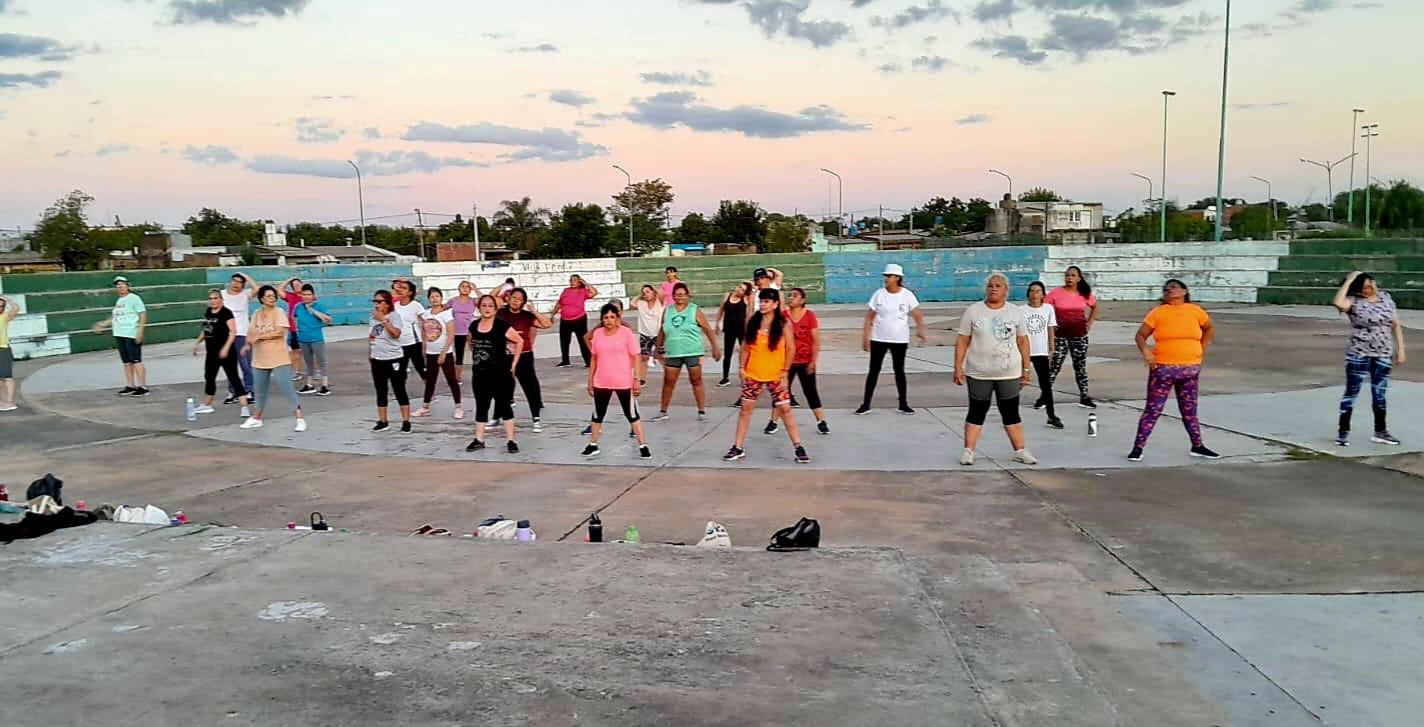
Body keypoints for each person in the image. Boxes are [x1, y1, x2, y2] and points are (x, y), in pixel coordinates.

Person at [1129, 279, 1219, 461]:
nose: (1169, 290)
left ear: (1185, 291)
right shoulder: (1158, 312)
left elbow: (1209, 328)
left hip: (1190, 369)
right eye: (1166, 288)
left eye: (1174, 287)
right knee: (1153, 409)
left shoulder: (1195, 311)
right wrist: (1147, 351)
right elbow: (1140, 335)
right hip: (1163, 368)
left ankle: (1197, 445)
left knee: (1189, 410)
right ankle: (1138, 447)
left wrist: (1202, 348)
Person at [953, 273, 1035, 466]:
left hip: (1009, 373)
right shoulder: (973, 311)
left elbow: (1023, 341)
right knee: (977, 411)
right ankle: (969, 451)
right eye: (990, 285)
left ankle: (1020, 450)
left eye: (998, 286)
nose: (994, 289)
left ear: (1006, 290)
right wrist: (958, 366)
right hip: (979, 373)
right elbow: (963, 340)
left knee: (1011, 412)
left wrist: (1026, 367)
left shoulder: (1015, 312)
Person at [724, 288, 809, 463]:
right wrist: (742, 368)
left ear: (776, 304)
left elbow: (791, 348)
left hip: (776, 375)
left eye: (767, 301)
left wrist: (785, 371)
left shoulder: (783, 323)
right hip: (754, 373)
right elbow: (746, 347)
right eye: (761, 301)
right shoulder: (753, 322)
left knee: (785, 410)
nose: (763, 304)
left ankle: (798, 447)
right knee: (745, 410)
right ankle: (738, 447)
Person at [1332, 271, 1406, 447]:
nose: (1369, 289)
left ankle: (1381, 431)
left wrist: (1401, 350)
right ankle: (1343, 432)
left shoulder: (1386, 298)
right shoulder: (1354, 302)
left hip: (1383, 352)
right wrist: (1349, 280)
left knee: (1379, 394)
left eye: (1370, 284)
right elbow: (1337, 302)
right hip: (1359, 352)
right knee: (1352, 393)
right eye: (1364, 287)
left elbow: (1395, 324)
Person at [583, 302, 653, 459]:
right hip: (602, 380)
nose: (608, 320)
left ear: (617, 318)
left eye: (612, 317)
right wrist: (590, 380)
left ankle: (643, 444)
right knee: (597, 414)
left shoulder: (626, 333)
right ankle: (593, 444)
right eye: (605, 317)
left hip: (623, 381)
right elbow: (594, 358)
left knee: (632, 414)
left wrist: (636, 379)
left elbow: (636, 357)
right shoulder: (599, 334)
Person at [858, 263, 926, 415]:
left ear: (897, 278)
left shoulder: (907, 295)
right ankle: (866, 404)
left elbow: (917, 315)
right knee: (874, 371)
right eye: (886, 276)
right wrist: (865, 337)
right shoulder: (879, 294)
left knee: (899, 370)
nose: (887, 279)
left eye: (890, 276)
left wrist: (920, 330)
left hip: (899, 339)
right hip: (879, 338)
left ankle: (903, 403)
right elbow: (870, 317)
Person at [240, 285, 306, 432]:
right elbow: (251, 332)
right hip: (260, 357)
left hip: (278, 356)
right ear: (261, 299)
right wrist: (248, 344)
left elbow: (279, 332)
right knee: (260, 389)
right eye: (269, 296)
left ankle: (300, 418)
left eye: (273, 296)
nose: (272, 299)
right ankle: (257, 418)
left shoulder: (279, 312)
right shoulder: (257, 313)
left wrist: (260, 336)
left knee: (286, 387)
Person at [465, 294, 524, 453]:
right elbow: (470, 342)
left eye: (490, 306)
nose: (487, 309)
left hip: (500, 373)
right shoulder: (473, 325)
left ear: (495, 308)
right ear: (479, 308)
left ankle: (511, 440)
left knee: (504, 406)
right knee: (481, 405)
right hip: (479, 373)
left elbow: (519, 341)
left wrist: (514, 363)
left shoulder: (501, 325)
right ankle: (479, 439)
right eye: (484, 306)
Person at [654, 282, 720, 421]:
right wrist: (657, 348)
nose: (680, 297)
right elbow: (662, 330)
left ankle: (701, 411)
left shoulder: (694, 310)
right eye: (677, 295)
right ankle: (663, 410)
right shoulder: (668, 310)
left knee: (696, 380)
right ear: (673, 296)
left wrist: (715, 346)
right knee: (668, 382)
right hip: (673, 352)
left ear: (688, 296)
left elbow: (707, 329)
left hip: (692, 351)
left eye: (683, 295)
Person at [767, 287, 829, 436]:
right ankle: (773, 422)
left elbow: (816, 341)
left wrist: (813, 361)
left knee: (810, 391)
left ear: (802, 300)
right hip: (787, 361)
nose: (791, 298)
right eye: (790, 295)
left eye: (795, 296)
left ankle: (821, 421)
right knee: (780, 392)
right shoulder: (783, 316)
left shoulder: (809, 316)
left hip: (805, 359)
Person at [497, 288, 552, 432]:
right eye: (514, 297)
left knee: (530, 387)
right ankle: (497, 416)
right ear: (508, 298)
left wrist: (534, 311)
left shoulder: (527, 316)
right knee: (501, 386)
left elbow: (547, 324)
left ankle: (536, 418)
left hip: (524, 355)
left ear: (523, 302)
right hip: (505, 355)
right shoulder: (500, 313)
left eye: (519, 299)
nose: (516, 301)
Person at [1045, 265, 1098, 409]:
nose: (1069, 278)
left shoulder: (1084, 293)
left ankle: (1084, 396)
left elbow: (1095, 307)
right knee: (1055, 365)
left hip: (1079, 335)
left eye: (1073, 275)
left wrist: (1089, 323)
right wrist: (1050, 324)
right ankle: (1045, 396)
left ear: (1079, 278)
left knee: (1080, 366)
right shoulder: (1056, 293)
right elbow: (1044, 308)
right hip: (1060, 335)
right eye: (1068, 275)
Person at [191, 290, 250, 418]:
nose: (213, 300)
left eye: (216, 298)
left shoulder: (226, 313)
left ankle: (244, 406)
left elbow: (232, 332)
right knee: (209, 376)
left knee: (233, 377)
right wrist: (198, 343)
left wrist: (226, 348)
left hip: (226, 352)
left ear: (221, 300)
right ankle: (207, 404)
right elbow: (206, 329)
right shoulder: (208, 312)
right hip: (211, 352)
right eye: (211, 298)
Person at [91, 276, 149, 397]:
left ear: (128, 286)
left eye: (122, 285)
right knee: (126, 362)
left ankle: (143, 386)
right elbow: (115, 317)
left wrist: (140, 331)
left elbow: (142, 314)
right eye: (118, 285)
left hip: (131, 333)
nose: (120, 287)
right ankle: (130, 385)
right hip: (120, 333)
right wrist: (103, 324)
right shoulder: (119, 301)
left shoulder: (134, 298)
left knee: (136, 360)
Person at [367, 289, 412, 433]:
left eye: (379, 301)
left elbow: (396, 334)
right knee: (381, 390)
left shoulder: (394, 316)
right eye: (374, 301)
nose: (376, 304)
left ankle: (406, 421)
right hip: (377, 358)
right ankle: (383, 420)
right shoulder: (373, 317)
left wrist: (384, 321)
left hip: (393, 358)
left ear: (387, 304)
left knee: (399, 389)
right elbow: (372, 336)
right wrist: (371, 353)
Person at [415, 287, 463, 419]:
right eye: (432, 297)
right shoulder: (426, 314)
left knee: (451, 380)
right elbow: (424, 332)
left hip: (445, 353)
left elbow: (451, 334)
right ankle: (425, 406)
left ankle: (458, 407)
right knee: (430, 381)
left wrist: (444, 352)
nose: (435, 299)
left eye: (437, 296)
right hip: (431, 352)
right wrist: (424, 347)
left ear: (441, 298)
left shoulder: (446, 314)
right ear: (429, 299)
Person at [1021, 281, 1063, 429]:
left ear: (1043, 294)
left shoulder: (1048, 309)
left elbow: (1050, 328)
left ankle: (1051, 416)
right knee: (1017, 383)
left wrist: (1051, 348)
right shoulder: (1021, 310)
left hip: (1041, 351)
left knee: (1045, 385)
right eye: (1032, 291)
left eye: (1038, 291)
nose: (1034, 294)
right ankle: (1010, 414)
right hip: (1024, 351)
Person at [220, 272, 257, 403]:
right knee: (230, 365)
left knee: (245, 364)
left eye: (239, 281)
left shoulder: (245, 294)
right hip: (227, 334)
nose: (236, 283)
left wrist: (246, 276)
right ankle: (233, 391)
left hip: (242, 334)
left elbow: (257, 290)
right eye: (234, 280)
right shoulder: (222, 294)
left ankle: (249, 390)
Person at [294, 284, 332, 396]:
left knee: (321, 361)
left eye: (308, 294)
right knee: (308, 362)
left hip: (316, 339)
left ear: (313, 295)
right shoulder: (298, 306)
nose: (306, 297)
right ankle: (309, 385)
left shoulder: (319, 306)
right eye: (304, 294)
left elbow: (328, 319)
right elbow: (295, 318)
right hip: (303, 339)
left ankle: (324, 385)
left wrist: (313, 310)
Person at [552, 274, 597, 367]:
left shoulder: (583, 291)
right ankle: (565, 361)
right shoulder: (566, 291)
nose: (572, 282)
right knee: (564, 341)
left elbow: (594, 292)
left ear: (579, 282)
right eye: (571, 280)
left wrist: (585, 282)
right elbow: (559, 303)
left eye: (575, 280)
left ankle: (588, 361)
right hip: (565, 320)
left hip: (579, 319)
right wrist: (552, 314)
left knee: (582, 341)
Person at [714, 281, 752, 387]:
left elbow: (748, 315)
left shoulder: (746, 299)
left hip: (741, 330)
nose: (739, 290)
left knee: (745, 353)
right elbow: (721, 310)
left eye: (743, 290)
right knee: (728, 354)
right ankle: (725, 377)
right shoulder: (727, 296)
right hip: (729, 329)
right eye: (740, 287)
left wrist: (747, 330)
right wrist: (717, 323)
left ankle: (748, 376)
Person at [392, 279, 428, 379]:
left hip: (414, 343)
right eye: (400, 288)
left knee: (422, 370)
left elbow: (426, 322)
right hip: (399, 344)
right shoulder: (395, 306)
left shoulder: (416, 305)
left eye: (404, 288)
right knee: (400, 373)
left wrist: (425, 343)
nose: (401, 290)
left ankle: (430, 393)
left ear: (410, 292)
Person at [629, 284, 665, 386]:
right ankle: (641, 378)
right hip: (645, 334)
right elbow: (632, 304)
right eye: (644, 293)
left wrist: (654, 290)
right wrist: (640, 296)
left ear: (653, 292)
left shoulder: (660, 303)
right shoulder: (641, 303)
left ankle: (668, 376)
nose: (646, 294)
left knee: (662, 356)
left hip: (658, 334)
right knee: (644, 357)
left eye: (648, 292)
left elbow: (662, 294)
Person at [450, 280, 479, 383]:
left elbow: (484, 301)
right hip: (458, 332)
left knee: (477, 353)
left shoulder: (473, 301)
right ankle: (457, 378)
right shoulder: (453, 300)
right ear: (459, 288)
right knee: (459, 355)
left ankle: (480, 375)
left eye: (468, 287)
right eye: (463, 286)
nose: (465, 288)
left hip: (471, 331)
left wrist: (475, 288)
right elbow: (443, 308)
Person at [281, 277, 306, 380]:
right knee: (295, 351)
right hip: (293, 329)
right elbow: (279, 291)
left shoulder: (308, 296)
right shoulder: (290, 296)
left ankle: (316, 372)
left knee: (310, 351)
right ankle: (296, 372)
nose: (297, 286)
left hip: (305, 328)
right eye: (294, 285)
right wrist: (289, 280)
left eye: (298, 284)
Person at [0, 294, 21, 412]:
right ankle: (3, 401)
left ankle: (9, 402)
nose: (0, 308)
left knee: (7, 377)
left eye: (2, 306)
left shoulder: (4, 316)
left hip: (3, 349)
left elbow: (16, 308)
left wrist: (6, 299)